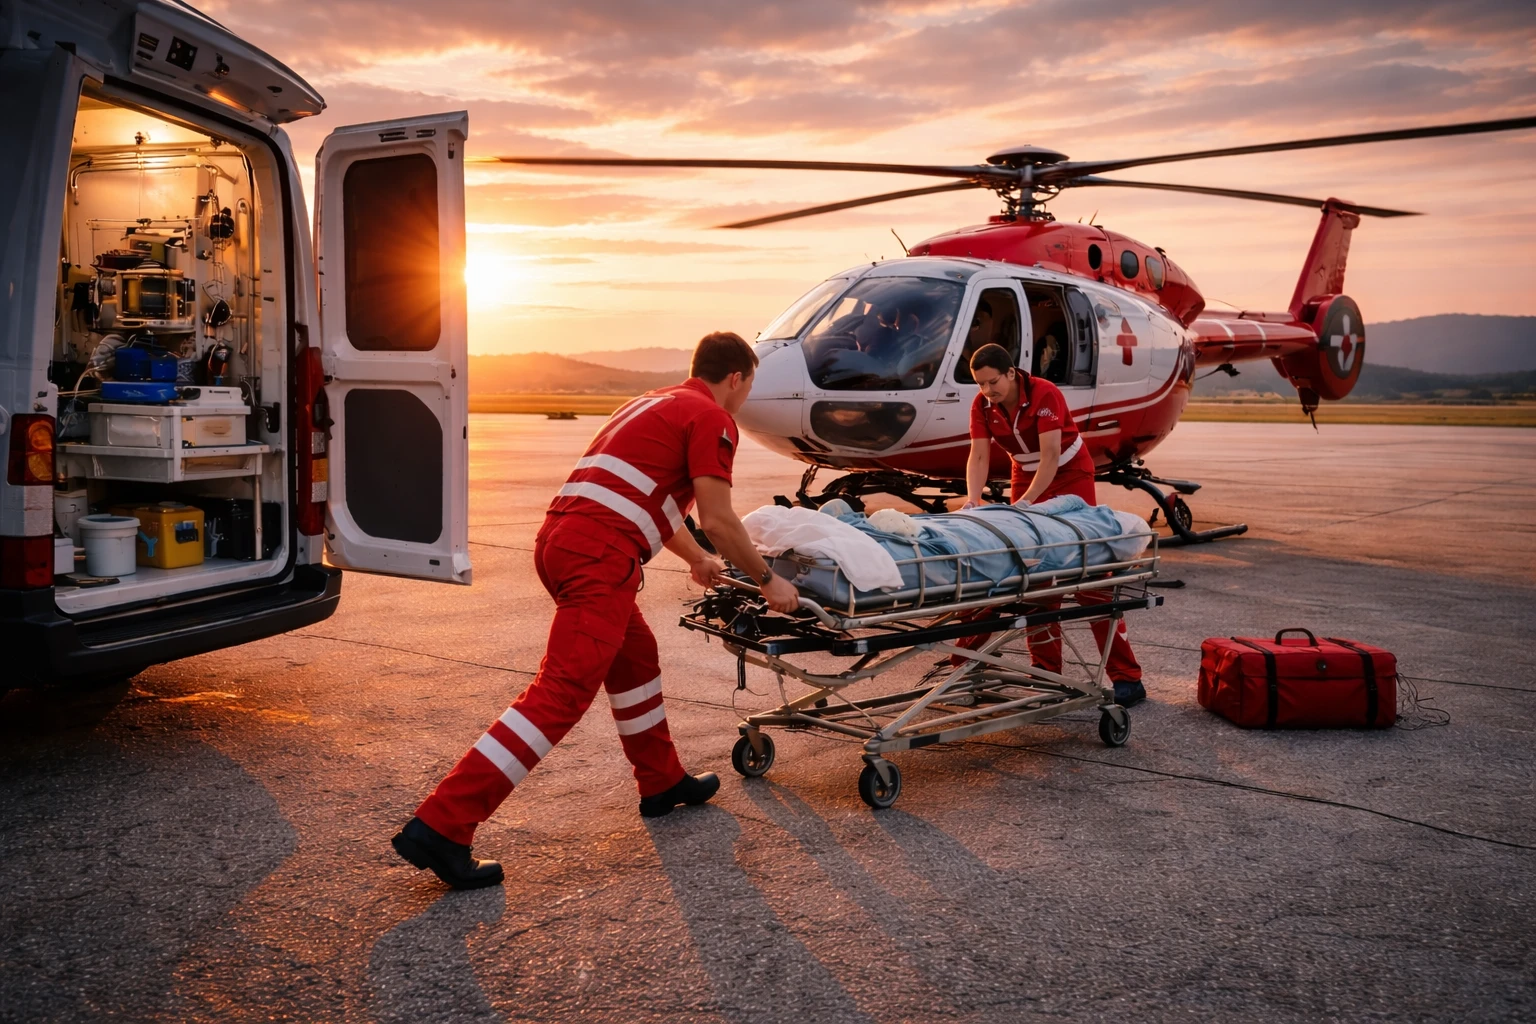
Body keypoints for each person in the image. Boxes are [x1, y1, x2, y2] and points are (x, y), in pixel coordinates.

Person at [392, 332, 802, 890]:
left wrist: (699, 559)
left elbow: (645, 499)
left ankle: (660, 781)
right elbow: (719, 517)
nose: (743, 398)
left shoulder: (650, 402)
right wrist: (768, 580)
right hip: (598, 556)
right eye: (747, 386)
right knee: (560, 694)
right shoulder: (712, 418)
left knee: (635, 657)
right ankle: (443, 825)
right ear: (736, 378)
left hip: (562, 541)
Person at [958, 343, 1145, 707]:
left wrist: (1028, 504)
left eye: (993, 382)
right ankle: (1044, 674)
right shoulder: (982, 405)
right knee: (1036, 579)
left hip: (1068, 475)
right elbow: (978, 455)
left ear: (1012, 373)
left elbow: (1051, 456)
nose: (987, 391)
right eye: (980, 384)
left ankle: (1128, 678)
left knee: (1092, 580)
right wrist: (972, 500)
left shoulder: (1045, 393)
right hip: (1025, 475)